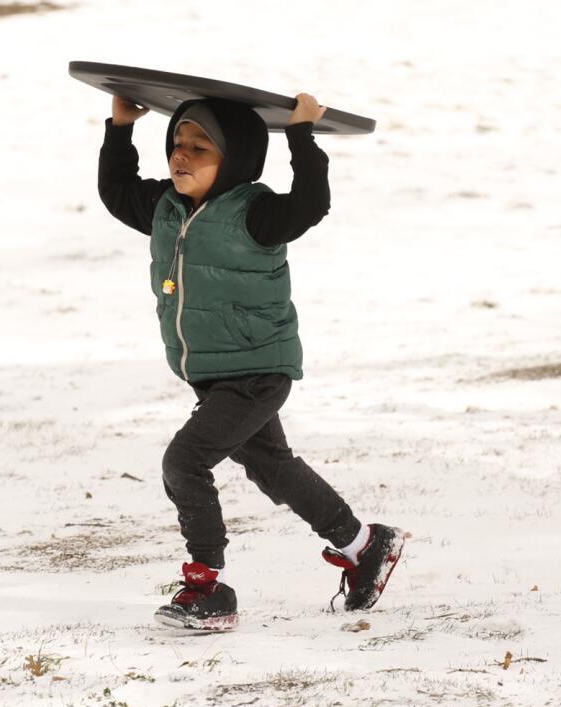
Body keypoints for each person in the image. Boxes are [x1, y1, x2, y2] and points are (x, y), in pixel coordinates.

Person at [97, 90, 407, 632]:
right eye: (177, 141)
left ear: (235, 158)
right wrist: (121, 129)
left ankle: (207, 584)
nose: (182, 155)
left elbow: (311, 204)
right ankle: (364, 545)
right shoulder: (167, 208)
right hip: (216, 376)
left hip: (257, 371)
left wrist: (301, 135)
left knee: (184, 463)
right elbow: (117, 191)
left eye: (200, 146)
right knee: (273, 469)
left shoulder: (255, 214)